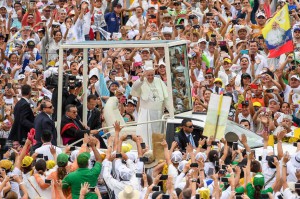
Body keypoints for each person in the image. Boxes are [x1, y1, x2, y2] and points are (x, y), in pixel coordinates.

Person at [131, 65, 171, 147]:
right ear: (145, 74)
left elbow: (166, 97)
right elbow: (135, 87)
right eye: (148, 75)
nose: (150, 77)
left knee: (158, 133)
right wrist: (141, 79)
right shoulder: (141, 81)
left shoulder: (159, 81)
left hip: (158, 114)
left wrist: (171, 110)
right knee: (147, 134)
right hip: (146, 114)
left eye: (152, 75)